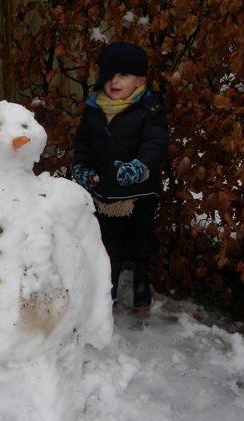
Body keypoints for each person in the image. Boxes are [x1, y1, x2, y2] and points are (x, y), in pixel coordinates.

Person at [72, 42, 169, 312]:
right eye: (110, 75)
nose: (115, 81)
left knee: (141, 240)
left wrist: (138, 167)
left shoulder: (150, 110)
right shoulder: (94, 109)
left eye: (124, 75)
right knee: (109, 245)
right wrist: (82, 168)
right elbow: (83, 144)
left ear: (140, 81)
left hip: (140, 191)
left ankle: (141, 285)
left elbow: (155, 143)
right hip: (107, 192)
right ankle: (108, 292)